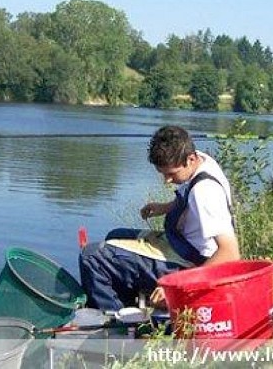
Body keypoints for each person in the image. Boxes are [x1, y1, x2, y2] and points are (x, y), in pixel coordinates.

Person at [79, 125, 239, 311]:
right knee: (115, 235)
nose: (167, 181)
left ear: (191, 159)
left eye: (171, 174)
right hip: (181, 243)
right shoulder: (201, 160)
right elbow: (190, 200)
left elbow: (230, 253)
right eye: (163, 174)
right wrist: (164, 207)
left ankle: (116, 323)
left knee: (91, 256)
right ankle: (131, 303)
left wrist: (180, 283)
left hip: (193, 261)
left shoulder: (205, 192)